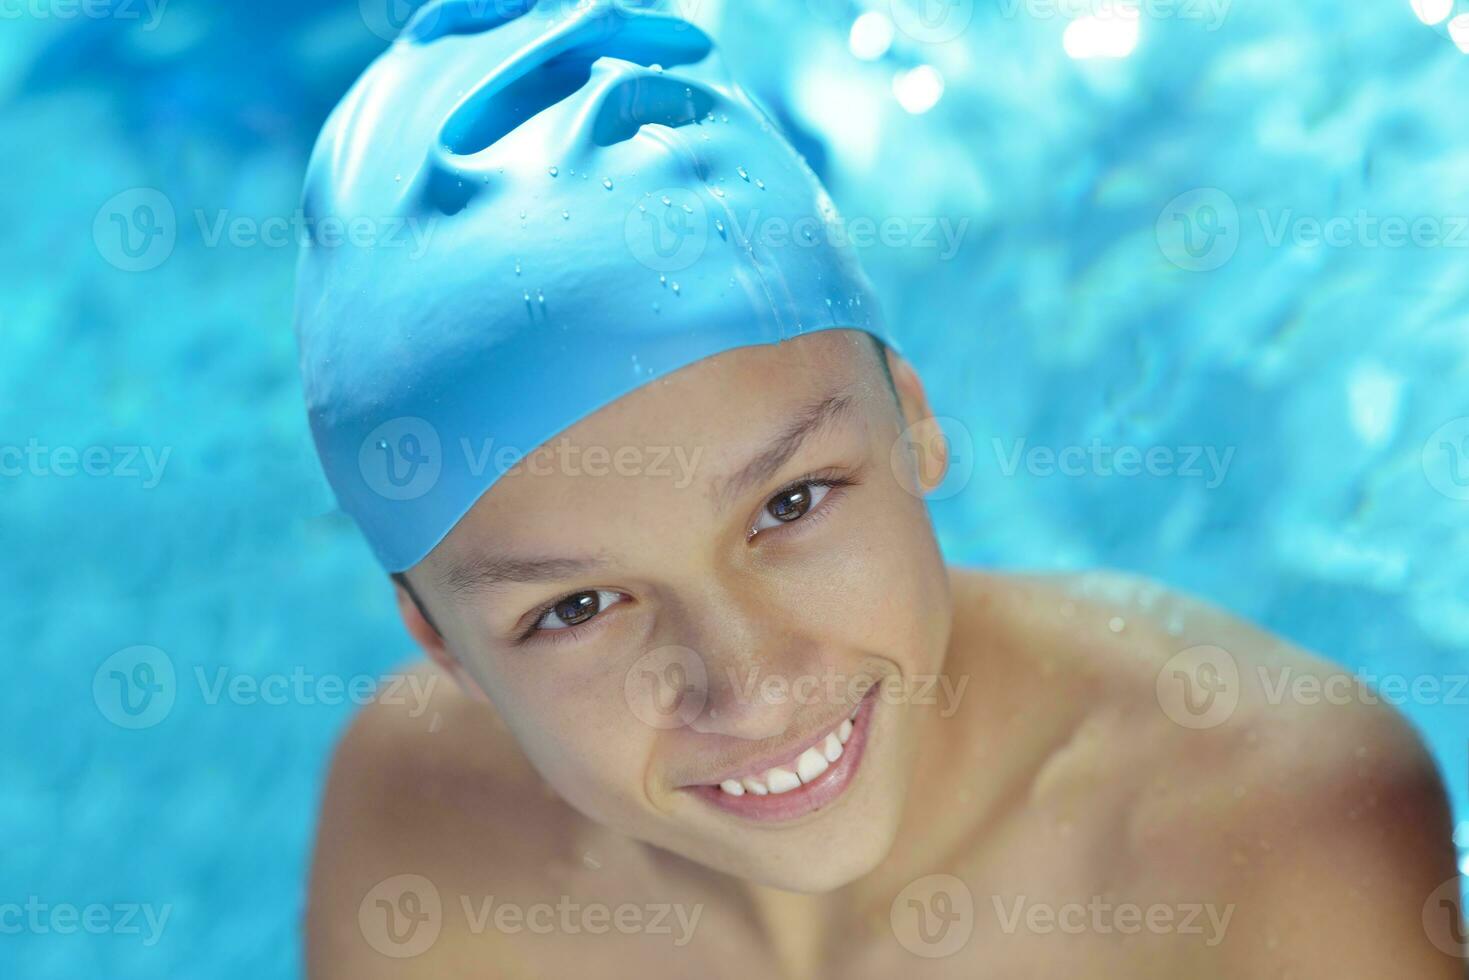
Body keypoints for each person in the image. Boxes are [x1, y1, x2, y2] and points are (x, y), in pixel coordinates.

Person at [294, 2, 1463, 976]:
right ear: (438, 641)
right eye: (577, 606)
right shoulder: (424, 841)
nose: (748, 688)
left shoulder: (1275, 835)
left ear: (911, 420)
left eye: (789, 504)